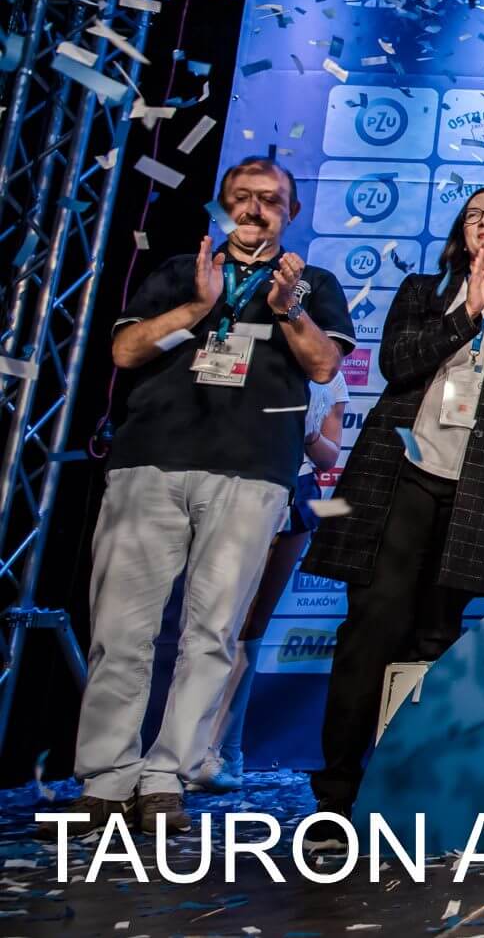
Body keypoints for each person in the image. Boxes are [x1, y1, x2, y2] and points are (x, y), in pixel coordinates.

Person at [53, 158, 351, 838]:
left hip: (253, 473)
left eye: (270, 199)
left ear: (290, 213)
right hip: (149, 464)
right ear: (222, 206)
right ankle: (106, 780)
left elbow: (323, 365)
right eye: (241, 197)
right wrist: (196, 306)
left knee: (212, 633)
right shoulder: (179, 271)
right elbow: (125, 351)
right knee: (121, 631)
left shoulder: (313, 282)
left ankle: (166, 777)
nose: (254, 209)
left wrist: (289, 307)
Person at [301, 189, 484, 841]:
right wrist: (467, 315)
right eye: (474, 213)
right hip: (400, 477)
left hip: (476, 489)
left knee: (436, 638)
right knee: (372, 630)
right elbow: (396, 363)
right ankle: (337, 797)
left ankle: (409, 791)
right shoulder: (424, 291)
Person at [189, 376, 346, 792]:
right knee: (212, 618)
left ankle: (223, 750)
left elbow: (330, 455)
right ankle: (191, 746)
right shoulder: (253, 357)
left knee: (251, 626)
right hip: (234, 482)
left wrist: (308, 433)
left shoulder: (331, 377)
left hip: (295, 489)